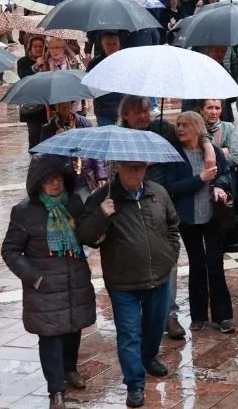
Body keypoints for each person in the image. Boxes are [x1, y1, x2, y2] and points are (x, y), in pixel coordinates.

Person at [77, 160, 180, 408]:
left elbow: (172, 226)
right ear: (118, 168)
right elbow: (87, 237)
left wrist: (170, 256)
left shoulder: (158, 192)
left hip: (158, 276)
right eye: (129, 167)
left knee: (155, 326)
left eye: (140, 167)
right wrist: (102, 215)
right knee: (129, 333)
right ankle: (134, 383)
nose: (135, 172)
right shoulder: (102, 197)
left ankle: (149, 357)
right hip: (123, 281)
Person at [0, 156, 95, 409]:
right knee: (51, 337)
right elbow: (10, 251)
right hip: (45, 287)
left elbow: (88, 235)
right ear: (37, 183)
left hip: (75, 280)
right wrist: (34, 278)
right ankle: (56, 390)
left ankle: (70, 369)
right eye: (49, 179)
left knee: (74, 328)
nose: (55, 184)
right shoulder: (24, 212)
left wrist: (101, 218)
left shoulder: (74, 203)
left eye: (59, 178)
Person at [164, 111, 234, 333]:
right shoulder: (174, 154)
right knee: (196, 264)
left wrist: (221, 186)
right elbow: (170, 188)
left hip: (212, 216)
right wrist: (199, 180)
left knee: (215, 262)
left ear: (197, 127)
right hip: (187, 218)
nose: (180, 129)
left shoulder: (211, 150)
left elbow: (226, 174)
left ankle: (223, 316)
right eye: (178, 124)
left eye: (186, 125)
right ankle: (198, 316)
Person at [39, 101, 108, 194]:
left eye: (65, 102)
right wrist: (59, 142)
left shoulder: (84, 123)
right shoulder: (48, 130)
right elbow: (45, 159)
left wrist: (101, 176)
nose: (63, 105)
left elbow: (95, 151)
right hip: (63, 182)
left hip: (86, 179)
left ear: (71, 103)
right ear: (55, 105)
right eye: (59, 102)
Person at [86, 32, 124, 127]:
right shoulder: (94, 64)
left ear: (119, 44)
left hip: (124, 109)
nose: (112, 47)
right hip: (103, 110)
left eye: (114, 44)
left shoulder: (126, 62)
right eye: (108, 44)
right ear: (103, 45)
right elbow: (89, 87)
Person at [201, 99, 238, 171]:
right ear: (201, 110)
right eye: (209, 108)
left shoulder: (229, 127)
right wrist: (222, 152)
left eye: (217, 108)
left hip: (225, 176)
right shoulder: (197, 129)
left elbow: (235, 158)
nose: (214, 112)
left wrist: (209, 158)